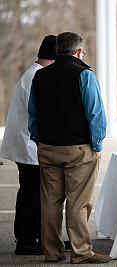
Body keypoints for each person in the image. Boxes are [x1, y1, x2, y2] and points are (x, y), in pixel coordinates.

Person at [28, 32, 110, 264]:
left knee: (51, 201)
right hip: (79, 149)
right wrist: (97, 144)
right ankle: (81, 252)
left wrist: (37, 138)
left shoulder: (40, 76)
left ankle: (52, 252)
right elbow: (95, 114)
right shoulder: (84, 74)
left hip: (47, 146)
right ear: (78, 52)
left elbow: (33, 112)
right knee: (78, 201)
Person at [0, 35, 56, 255]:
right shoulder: (37, 77)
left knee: (30, 192)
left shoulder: (33, 73)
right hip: (28, 146)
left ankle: (36, 237)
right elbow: (41, 113)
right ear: (53, 59)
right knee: (31, 194)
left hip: (26, 144)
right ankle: (25, 240)